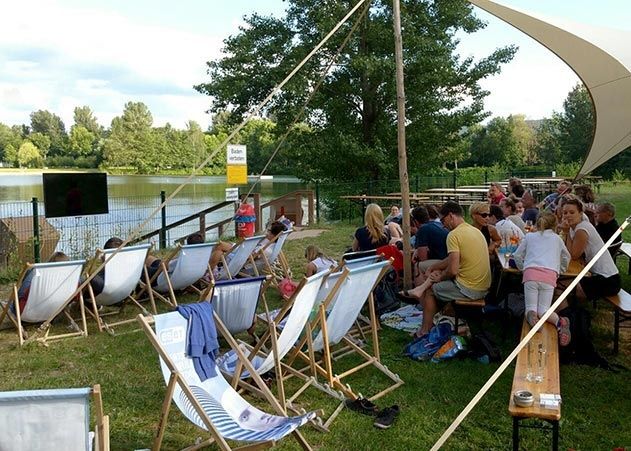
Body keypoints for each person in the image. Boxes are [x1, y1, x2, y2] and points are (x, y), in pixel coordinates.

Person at [405, 202, 492, 337]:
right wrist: (435, 267)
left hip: (470, 290)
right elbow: (453, 259)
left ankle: (424, 330)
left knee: (431, 290)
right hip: (483, 286)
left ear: (451, 216)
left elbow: (452, 270)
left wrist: (439, 277)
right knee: (428, 268)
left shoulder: (453, 235)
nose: (443, 224)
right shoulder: (474, 230)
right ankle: (432, 309)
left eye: (443, 220)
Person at [512, 211, 572, 346]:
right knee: (544, 310)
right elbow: (566, 256)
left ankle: (532, 318)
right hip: (549, 276)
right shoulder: (557, 239)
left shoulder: (530, 237)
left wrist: (523, 268)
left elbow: (517, 255)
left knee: (530, 307)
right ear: (555, 224)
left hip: (531, 275)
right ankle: (560, 321)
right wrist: (560, 270)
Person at [560, 197, 621, 301]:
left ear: (580, 213)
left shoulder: (582, 229)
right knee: (562, 283)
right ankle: (566, 311)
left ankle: (569, 313)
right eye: (565, 213)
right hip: (597, 275)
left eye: (572, 212)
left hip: (608, 280)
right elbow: (569, 252)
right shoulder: (574, 227)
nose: (568, 215)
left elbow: (573, 255)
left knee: (561, 285)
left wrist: (565, 232)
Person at [411, 205, 449, 286]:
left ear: (415, 221)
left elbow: (422, 258)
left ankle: (419, 293)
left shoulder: (423, 229)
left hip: (444, 261)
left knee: (418, 265)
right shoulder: (437, 224)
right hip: (448, 259)